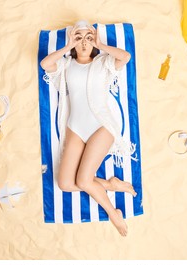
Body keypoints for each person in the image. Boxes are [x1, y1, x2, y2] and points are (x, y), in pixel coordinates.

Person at [40, 20, 136, 236]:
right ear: (73, 41)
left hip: (101, 126)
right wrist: (66, 47)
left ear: (94, 41)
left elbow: (126, 57)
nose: (84, 42)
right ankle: (110, 184)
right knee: (65, 183)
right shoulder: (65, 65)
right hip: (76, 128)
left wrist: (100, 44)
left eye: (88, 38)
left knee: (83, 180)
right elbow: (46, 64)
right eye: (79, 37)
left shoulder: (103, 62)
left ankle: (113, 213)